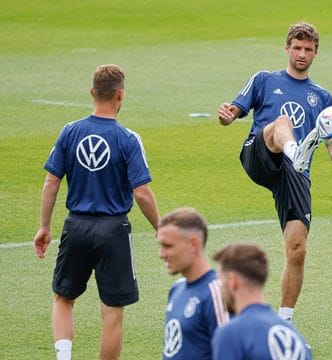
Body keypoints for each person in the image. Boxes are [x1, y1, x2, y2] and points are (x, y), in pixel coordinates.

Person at [217, 22, 332, 320]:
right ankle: (294, 152)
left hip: (294, 174)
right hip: (260, 153)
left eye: (308, 49)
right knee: (281, 124)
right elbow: (232, 113)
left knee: (297, 248)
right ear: (286, 48)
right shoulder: (264, 79)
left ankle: (285, 320)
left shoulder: (323, 98)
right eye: (297, 48)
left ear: (316, 53)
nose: (301, 54)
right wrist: (226, 116)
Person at [33, 64, 160, 360]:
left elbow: (51, 182)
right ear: (121, 95)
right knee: (112, 312)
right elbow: (141, 191)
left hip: (75, 226)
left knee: (64, 298)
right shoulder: (128, 138)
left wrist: (44, 227)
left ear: (92, 92)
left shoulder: (70, 132)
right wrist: (160, 225)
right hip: (114, 230)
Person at [212, 243, 313, 359]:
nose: (219, 290)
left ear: (232, 281)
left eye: (220, 282)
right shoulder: (294, 336)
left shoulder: (230, 334)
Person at [157, 207, 229, 359]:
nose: (161, 254)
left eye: (168, 246)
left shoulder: (217, 293)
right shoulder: (177, 289)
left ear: (193, 244)